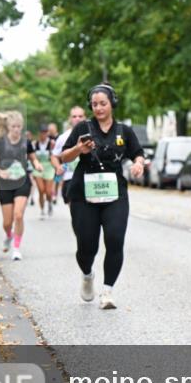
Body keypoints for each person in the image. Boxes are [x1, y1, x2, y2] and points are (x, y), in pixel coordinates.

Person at [58, 85, 145, 310]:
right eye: (94, 104)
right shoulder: (82, 128)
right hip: (83, 194)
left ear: (112, 103)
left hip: (115, 193)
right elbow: (64, 157)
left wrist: (138, 164)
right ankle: (87, 274)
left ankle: (107, 291)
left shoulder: (124, 131)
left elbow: (137, 153)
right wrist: (79, 149)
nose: (98, 108)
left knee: (115, 239)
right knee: (87, 247)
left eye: (103, 103)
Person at [0, 111, 44, 261]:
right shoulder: (0, 142)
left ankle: (16, 248)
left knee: (18, 215)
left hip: (22, 182)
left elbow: (33, 158)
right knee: (7, 222)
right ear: (8, 127)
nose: (16, 129)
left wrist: (37, 165)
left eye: (19, 126)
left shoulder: (26, 142)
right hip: (4, 184)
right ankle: (9, 235)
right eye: (13, 126)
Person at [52, 107, 86, 204]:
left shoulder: (92, 134)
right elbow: (54, 156)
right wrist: (58, 167)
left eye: (80, 116)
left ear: (85, 117)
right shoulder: (63, 137)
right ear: (70, 119)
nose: (77, 118)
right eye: (74, 116)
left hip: (88, 178)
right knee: (76, 214)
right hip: (70, 178)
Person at [32, 125, 57, 219]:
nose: (44, 134)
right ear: (39, 133)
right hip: (38, 167)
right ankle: (42, 210)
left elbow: (55, 154)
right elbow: (32, 156)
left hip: (49, 167)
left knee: (48, 191)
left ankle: (49, 203)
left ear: (47, 133)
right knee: (41, 190)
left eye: (45, 132)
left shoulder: (51, 143)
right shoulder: (35, 143)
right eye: (42, 132)